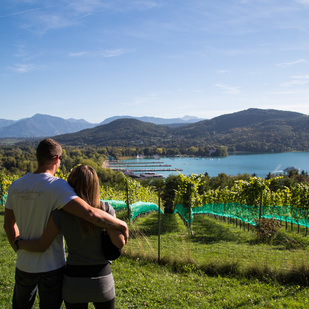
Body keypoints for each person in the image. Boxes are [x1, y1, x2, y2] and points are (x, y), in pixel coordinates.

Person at [4, 138, 128, 309]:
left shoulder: (15, 186)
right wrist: (121, 224)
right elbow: (89, 212)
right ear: (56, 159)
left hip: (24, 264)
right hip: (52, 266)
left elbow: (8, 224)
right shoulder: (58, 187)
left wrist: (17, 245)